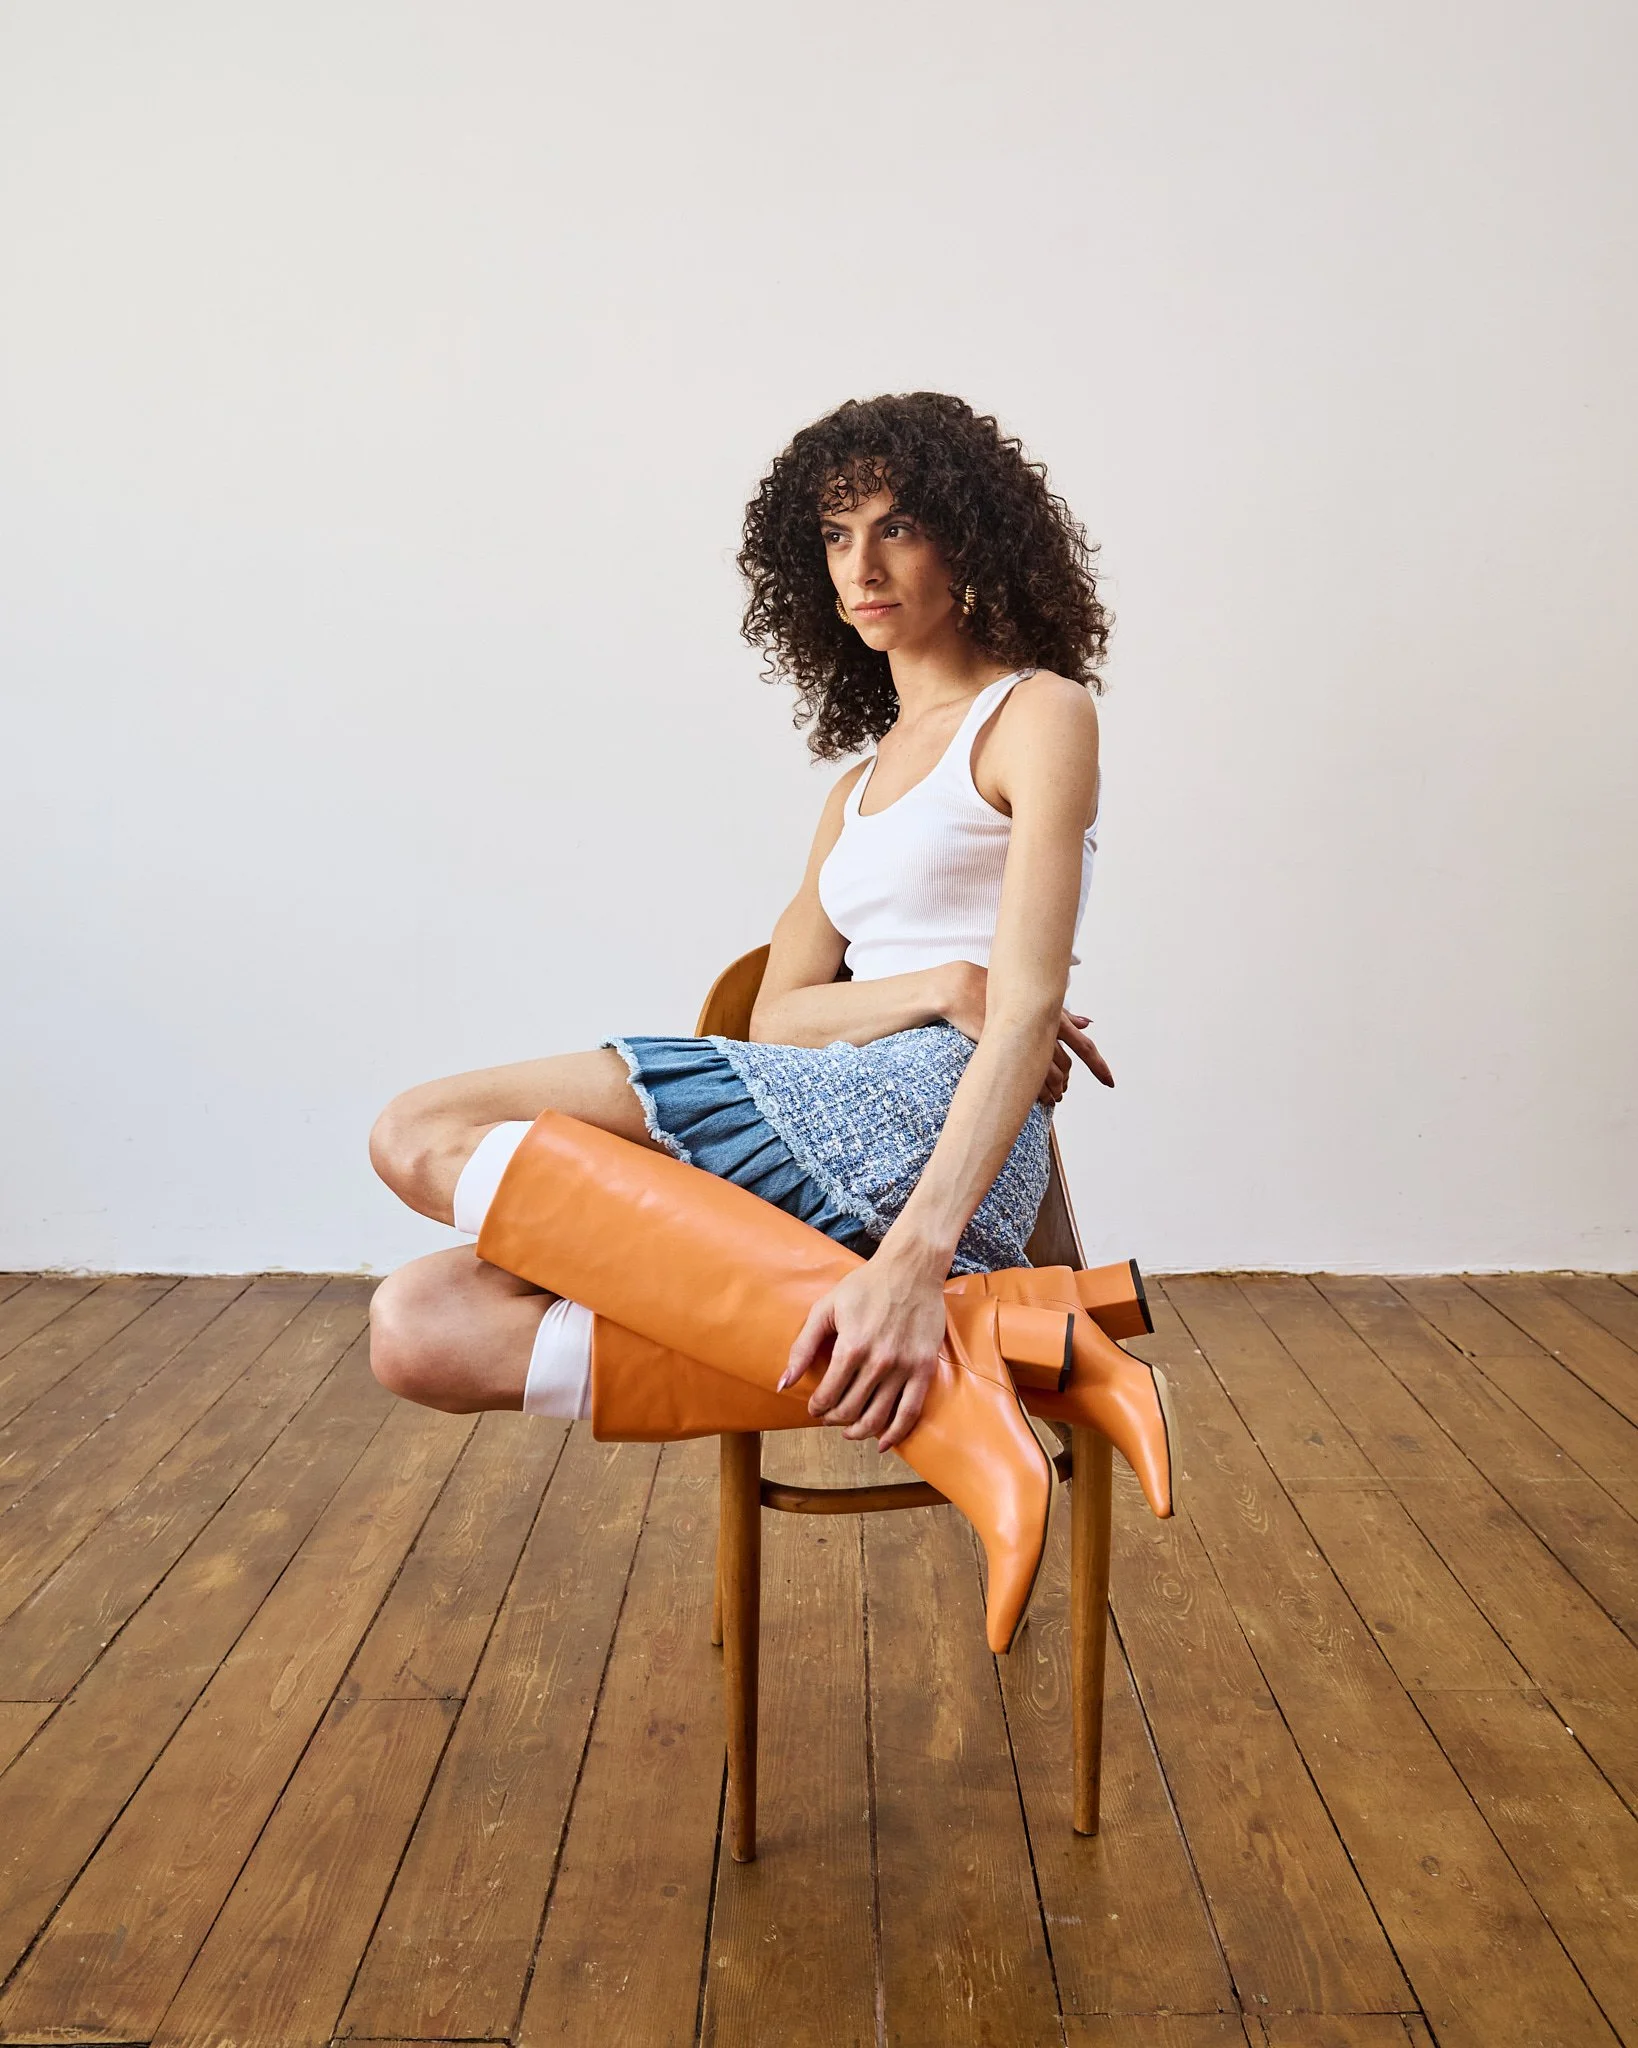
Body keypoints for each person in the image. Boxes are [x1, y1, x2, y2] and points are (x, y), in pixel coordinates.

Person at [367, 392, 1171, 1650]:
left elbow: (1023, 1022)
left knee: (419, 1131)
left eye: (898, 526)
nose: (863, 565)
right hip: (842, 1096)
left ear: (970, 537)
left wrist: (916, 1254)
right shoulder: (853, 790)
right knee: (417, 1328)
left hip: (933, 1133)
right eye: (837, 534)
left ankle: (944, 1313)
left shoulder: (1038, 715)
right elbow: (785, 1010)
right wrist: (932, 983)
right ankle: (969, 1365)